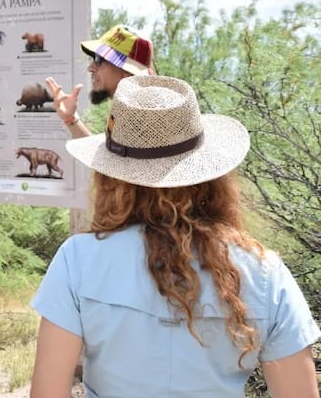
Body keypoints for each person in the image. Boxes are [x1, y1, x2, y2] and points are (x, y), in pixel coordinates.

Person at [29, 75, 320, 398]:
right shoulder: (265, 272)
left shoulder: (78, 259)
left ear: (112, 178)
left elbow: (47, 392)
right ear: (211, 176)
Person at [44, 24, 153, 138]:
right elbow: (106, 154)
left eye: (99, 59)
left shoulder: (143, 118)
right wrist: (70, 118)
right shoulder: (126, 110)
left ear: (128, 72)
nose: (90, 68)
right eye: (94, 57)